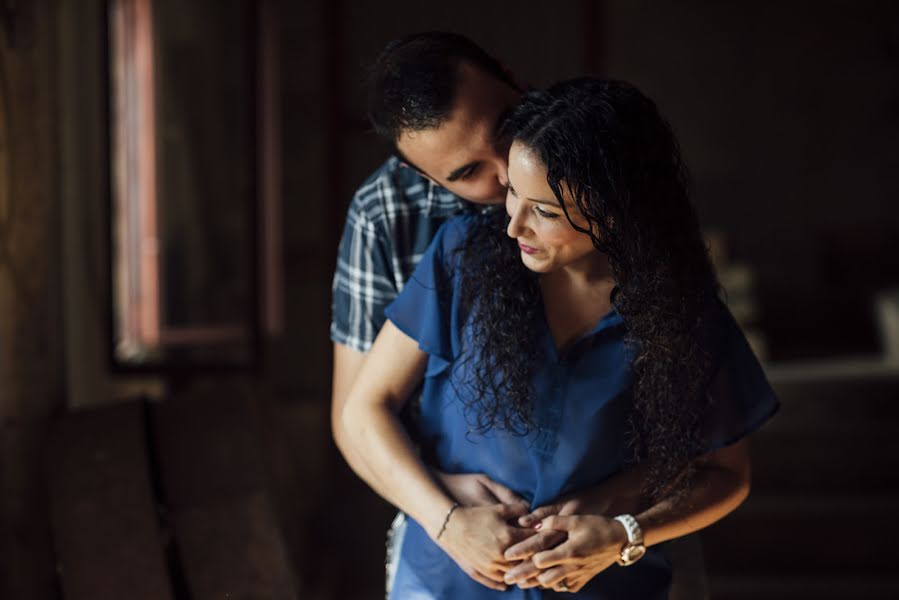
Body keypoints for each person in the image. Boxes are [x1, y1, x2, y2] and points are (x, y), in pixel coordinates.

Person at [340, 77, 779, 598]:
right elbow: (363, 409)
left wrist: (623, 535)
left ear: (615, 213)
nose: (513, 226)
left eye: (545, 212)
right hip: (443, 582)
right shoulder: (463, 256)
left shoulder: (682, 311)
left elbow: (727, 474)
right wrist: (448, 521)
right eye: (512, 196)